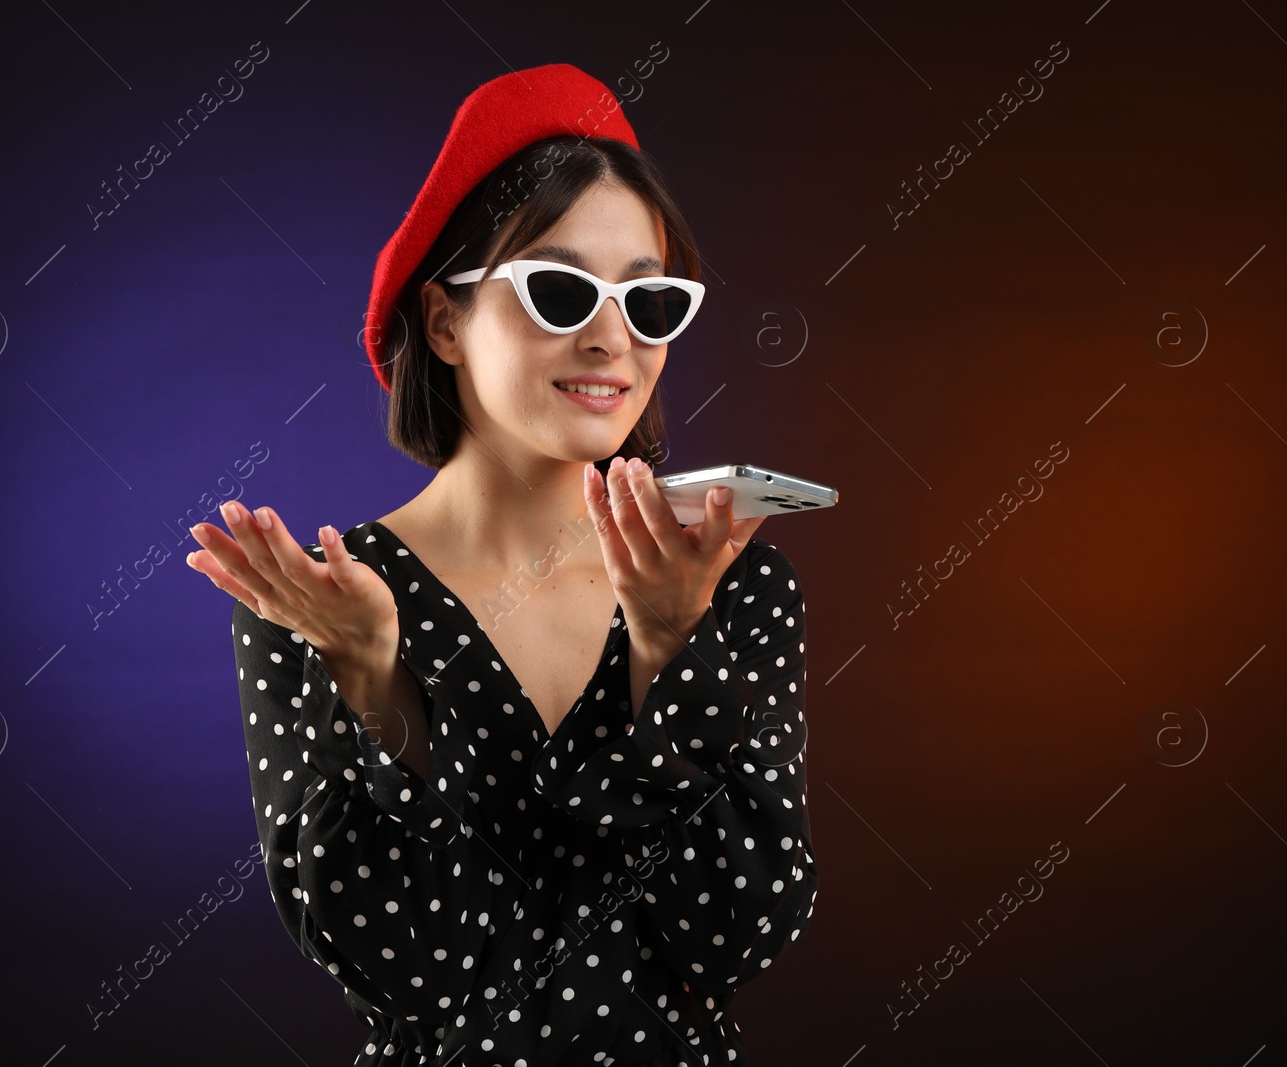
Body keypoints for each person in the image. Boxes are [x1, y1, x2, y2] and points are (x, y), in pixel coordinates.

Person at [187, 62, 818, 1067]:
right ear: (443, 321)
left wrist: (669, 652)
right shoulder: (310, 603)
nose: (612, 337)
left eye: (648, 301)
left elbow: (739, 930)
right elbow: (410, 964)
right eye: (563, 289)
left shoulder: (731, 581)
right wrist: (376, 682)